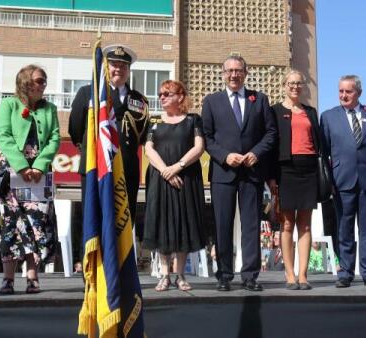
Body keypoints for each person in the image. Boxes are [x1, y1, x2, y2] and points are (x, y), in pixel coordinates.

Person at [202, 55, 277, 292]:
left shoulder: (260, 99)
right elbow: (206, 137)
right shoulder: (211, 101)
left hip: (252, 172)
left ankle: (250, 276)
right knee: (222, 225)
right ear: (223, 74)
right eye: (229, 71)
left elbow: (271, 133)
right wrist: (225, 156)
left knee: (252, 225)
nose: (234, 75)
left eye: (238, 70)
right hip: (223, 173)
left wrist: (256, 152)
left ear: (246, 73)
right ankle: (224, 275)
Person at [0, 64, 60, 294]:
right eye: (40, 80)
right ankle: (8, 279)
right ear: (25, 82)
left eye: (44, 80)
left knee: (37, 223)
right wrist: (21, 166)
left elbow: (54, 138)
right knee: (11, 223)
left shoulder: (50, 109)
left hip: (39, 174)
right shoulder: (8, 104)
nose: (43, 84)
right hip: (13, 171)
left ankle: (32, 277)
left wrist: (39, 166)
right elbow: (3, 135)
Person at [69, 44, 149, 230]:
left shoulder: (139, 100)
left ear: (129, 70)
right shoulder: (89, 93)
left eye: (123, 66)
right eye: (114, 64)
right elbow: (75, 128)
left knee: (123, 225)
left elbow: (143, 135)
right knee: (94, 222)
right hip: (97, 167)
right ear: (106, 66)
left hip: (127, 170)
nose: (118, 69)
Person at [320, 75, 366, 288]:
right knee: (344, 228)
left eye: (348, 91)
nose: (343, 95)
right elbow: (323, 154)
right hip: (342, 182)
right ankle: (346, 272)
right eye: (340, 91)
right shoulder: (328, 117)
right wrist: (328, 181)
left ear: (358, 92)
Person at [143, 80, 206, 291]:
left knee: (183, 222)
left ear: (180, 96)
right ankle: (164, 275)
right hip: (160, 178)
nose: (161, 97)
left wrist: (177, 167)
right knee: (161, 222)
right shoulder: (153, 120)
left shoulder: (193, 120)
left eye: (167, 93)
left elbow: (199, 148)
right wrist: (165, 171)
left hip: (186, 178)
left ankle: (180, 274)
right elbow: (149, 149)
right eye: (160, 94)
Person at [269, 70, 322, 290]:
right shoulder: (274, 111)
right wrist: (271, 177)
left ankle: (303, 275)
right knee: (287, 223)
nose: (295, 87)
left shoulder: (311, 111)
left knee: (306, 225)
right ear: (284, 85)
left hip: (309, 169)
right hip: (285, 170)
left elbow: (318, 142)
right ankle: (289, 275)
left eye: (299, 83)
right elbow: (271, 146)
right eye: (291, 83)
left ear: (304, 86)